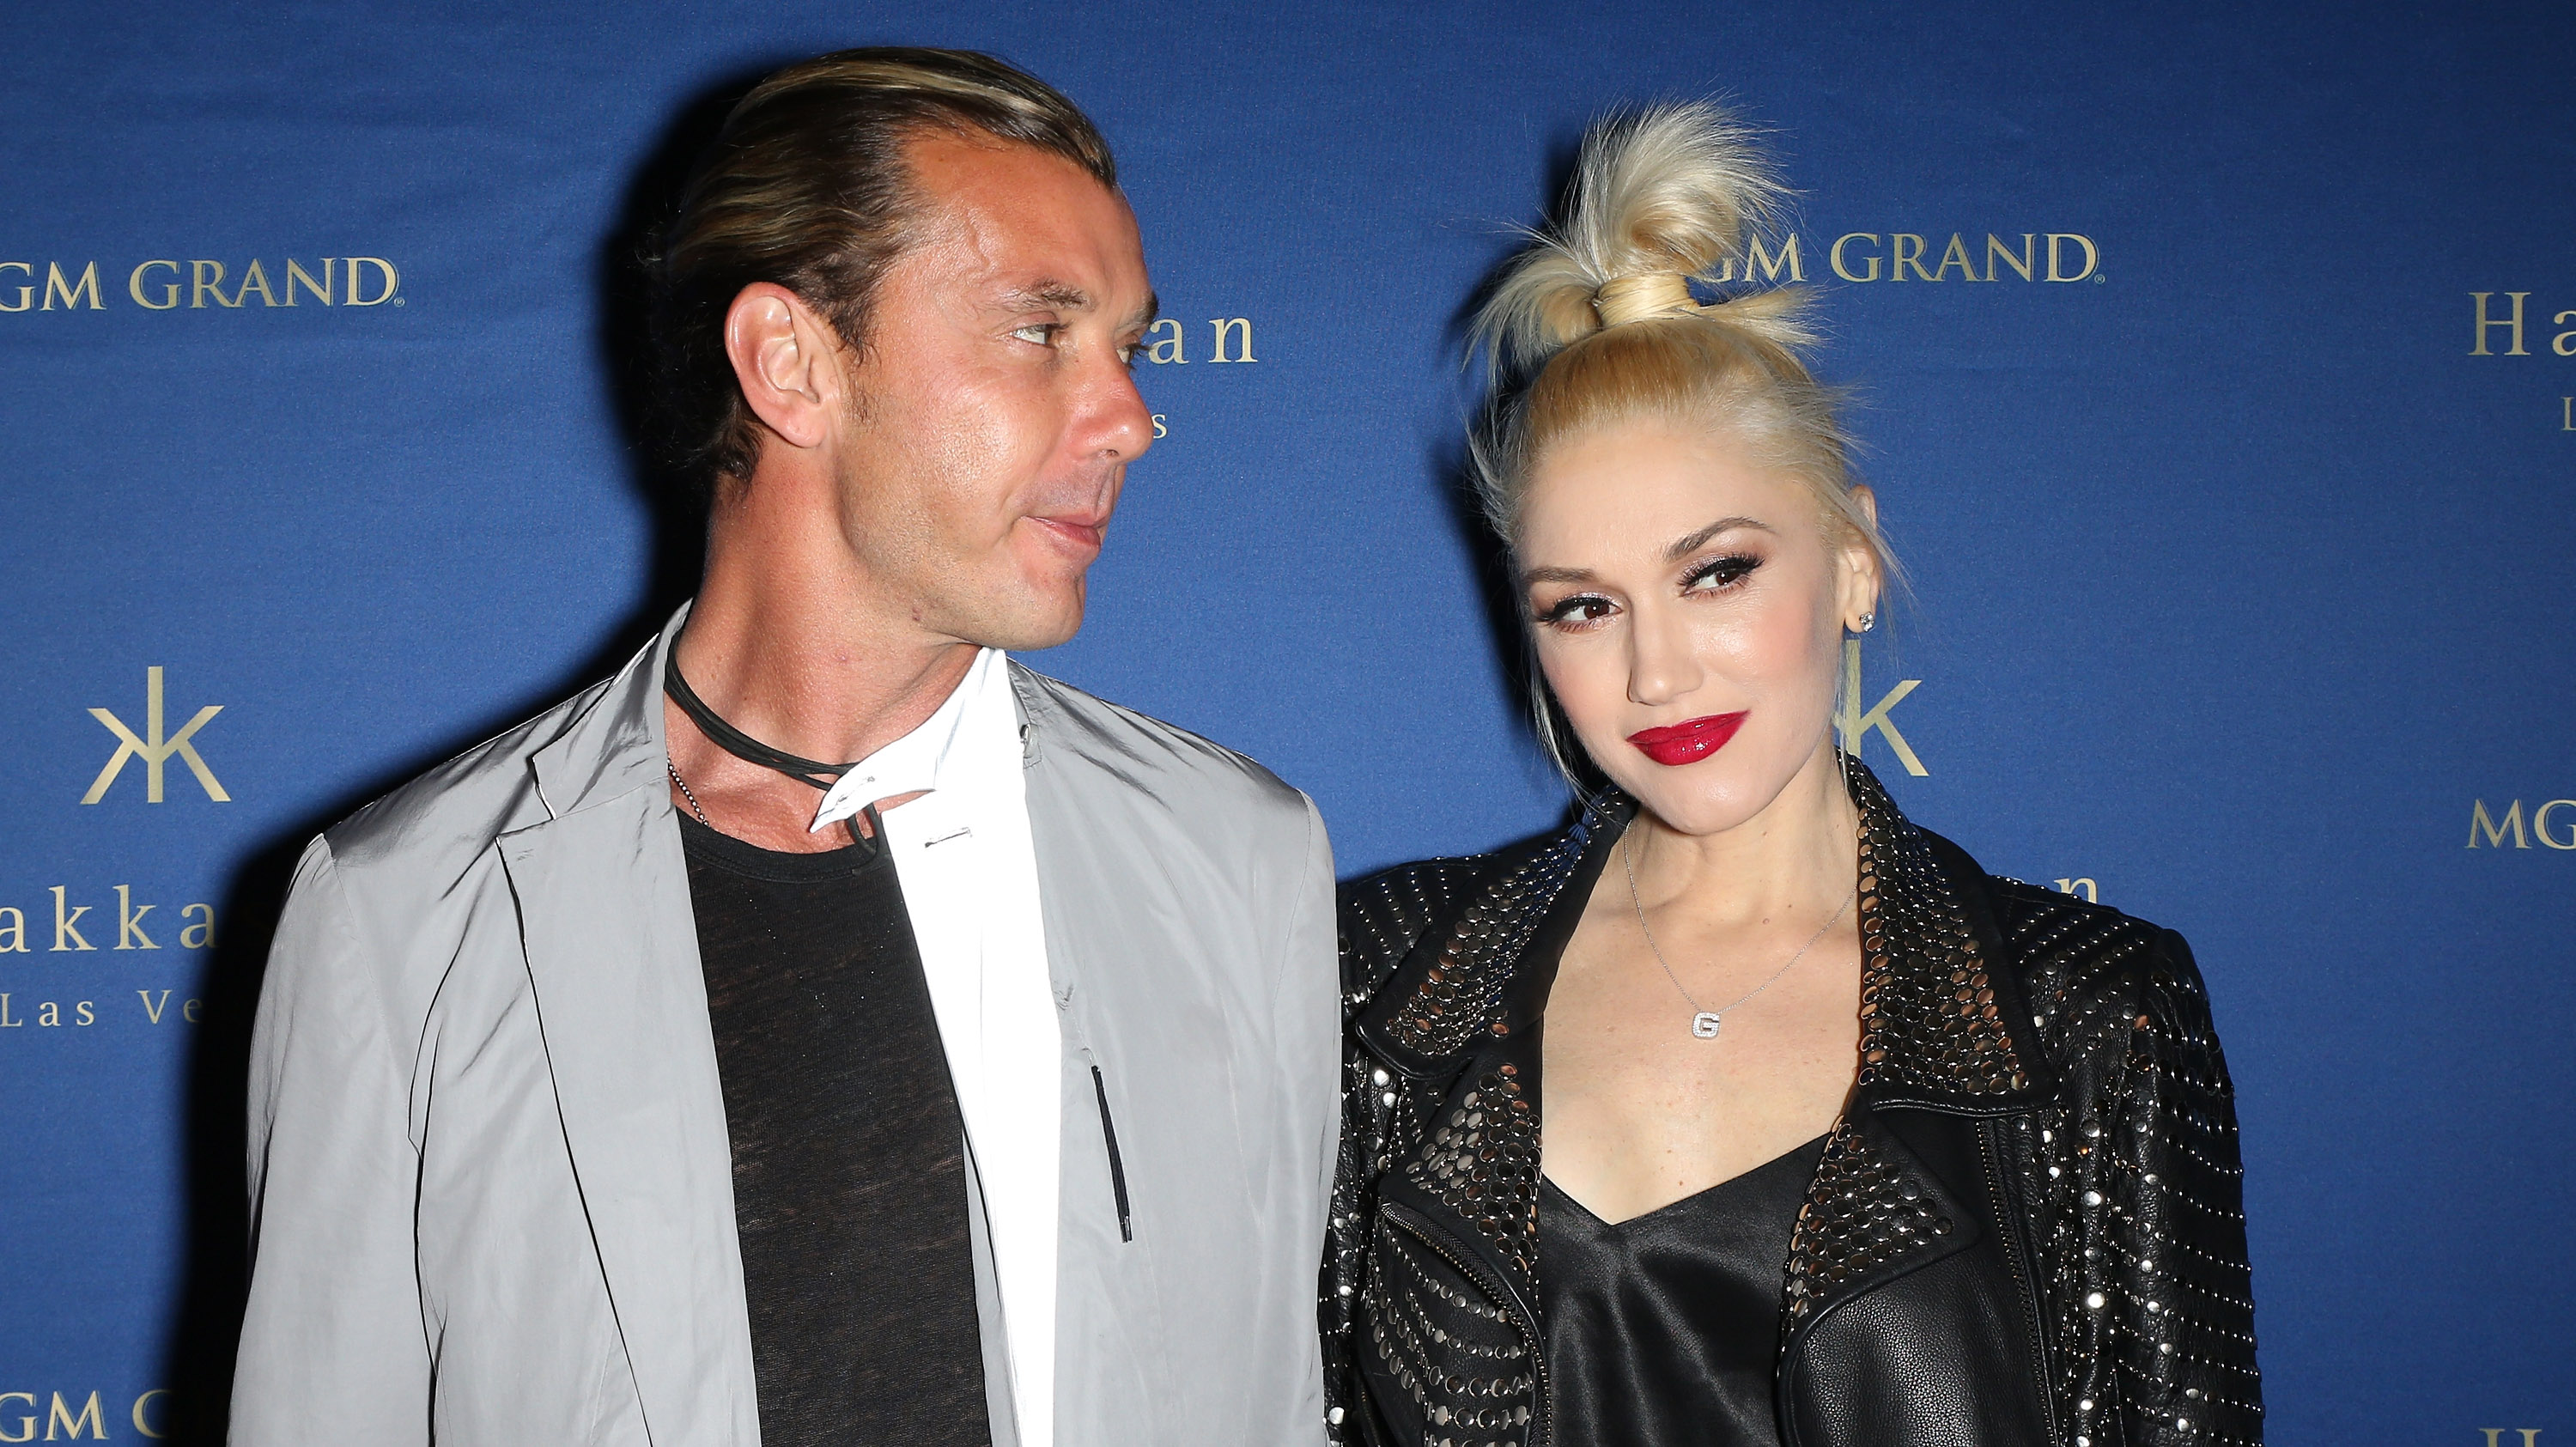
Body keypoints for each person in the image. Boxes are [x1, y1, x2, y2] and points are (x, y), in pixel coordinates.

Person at [234, 48, 1339, 1447]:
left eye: (1124, 347)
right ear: (791, 362)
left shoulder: (1236, 857)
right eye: (1038, 329)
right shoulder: (407, 915)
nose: (1129, 415)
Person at [1322, 103, 2260, 1447]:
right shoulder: (1387, 973)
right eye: (1582, 606)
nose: (1657, 673)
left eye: (1717, 572)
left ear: (1854, 555)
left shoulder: (2091, 1011)